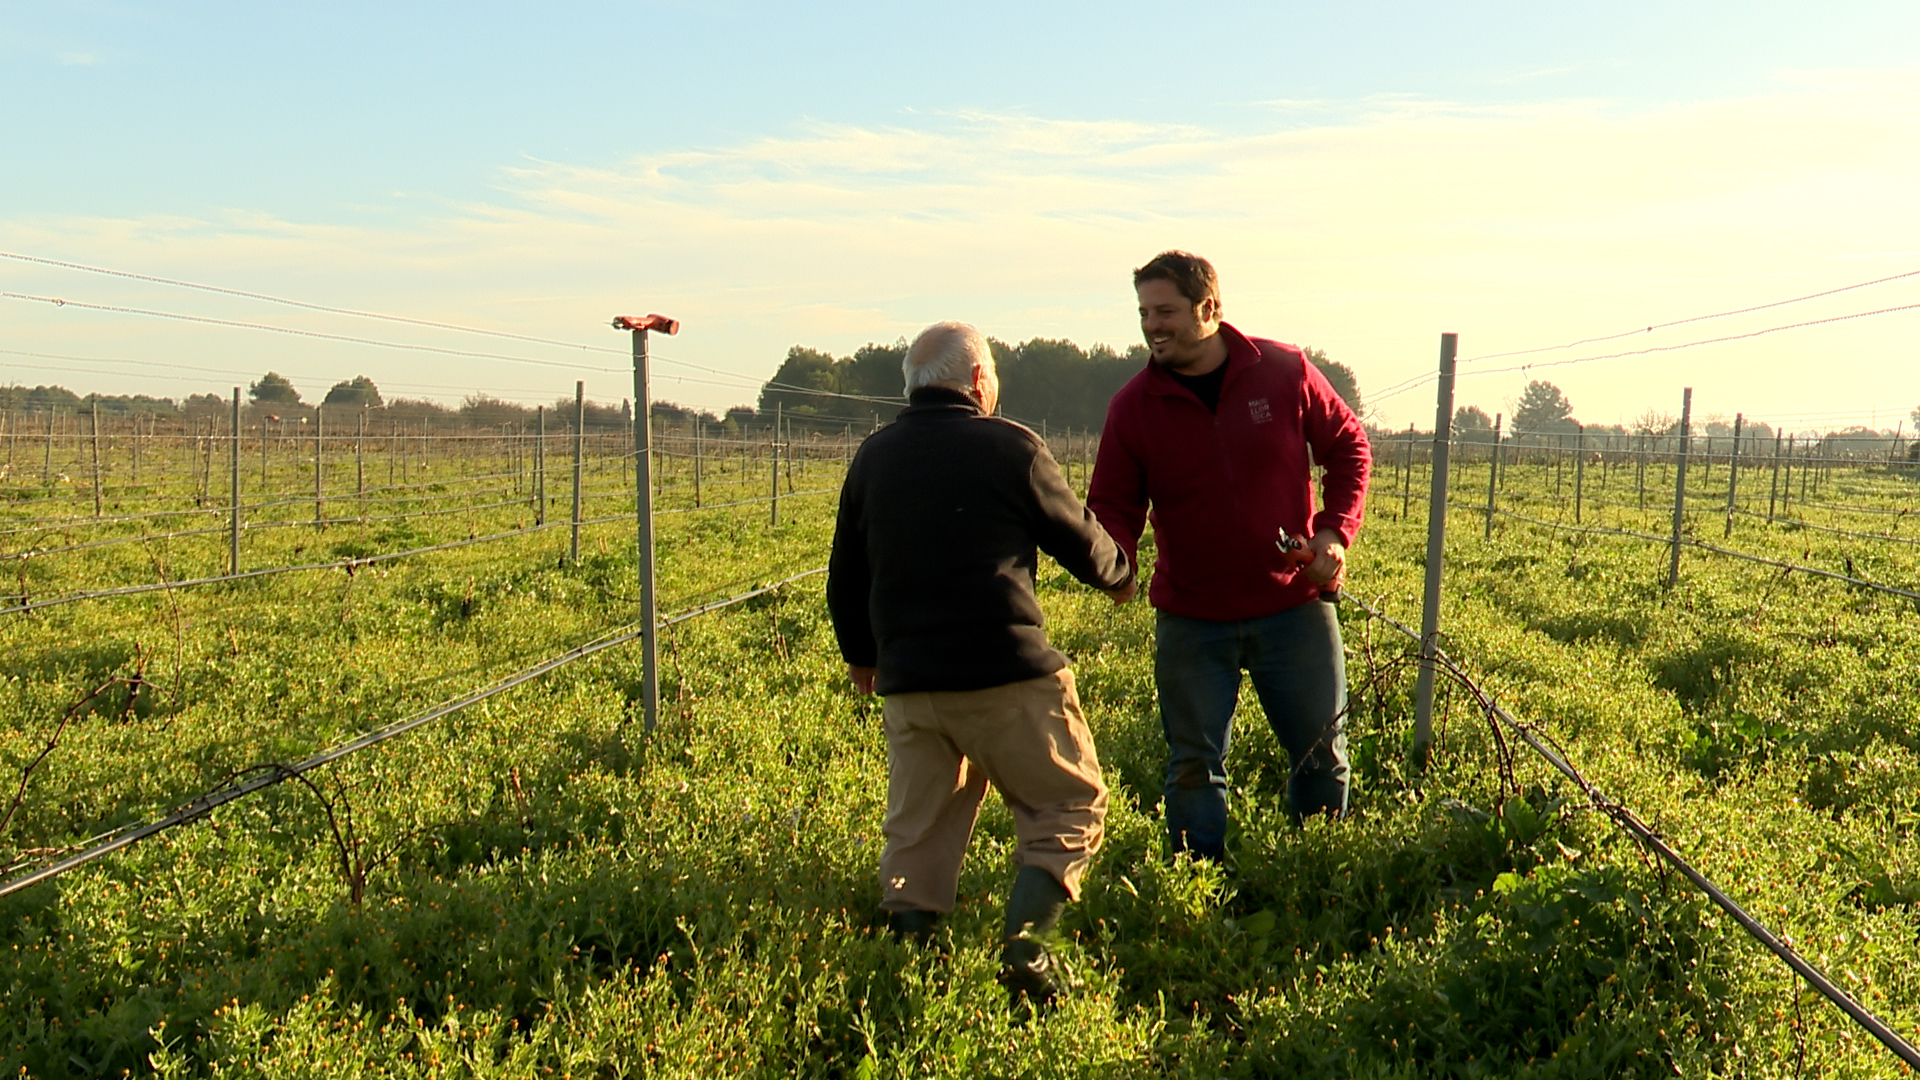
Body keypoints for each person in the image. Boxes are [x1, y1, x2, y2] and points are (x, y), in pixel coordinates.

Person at [828, 320, 1134, 1011]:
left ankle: (910, 975)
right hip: (1007, 674)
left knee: (919, 829)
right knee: (1067, 805)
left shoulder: (872, 458)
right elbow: (1076, 535)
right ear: (976, 382)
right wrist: (1120, 573)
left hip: (910, 685)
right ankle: (1029, 948)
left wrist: (862, 657)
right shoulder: (1010, 446)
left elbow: (846, 572)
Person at [1088, 251, 1370, 860]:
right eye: (1144, 312)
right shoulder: (1133, 407)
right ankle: (1200, 893)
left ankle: (1313, 878)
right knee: (1193, 767)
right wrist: (1117, 564)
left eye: (1165, 311)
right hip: (1192, 618)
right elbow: (1112, 503)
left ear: (1209, 308)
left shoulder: (1283, 371)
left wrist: (1333, 535)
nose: (1151, 325)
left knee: (1321, 755)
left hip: (1293, 607)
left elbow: (1349, 447)